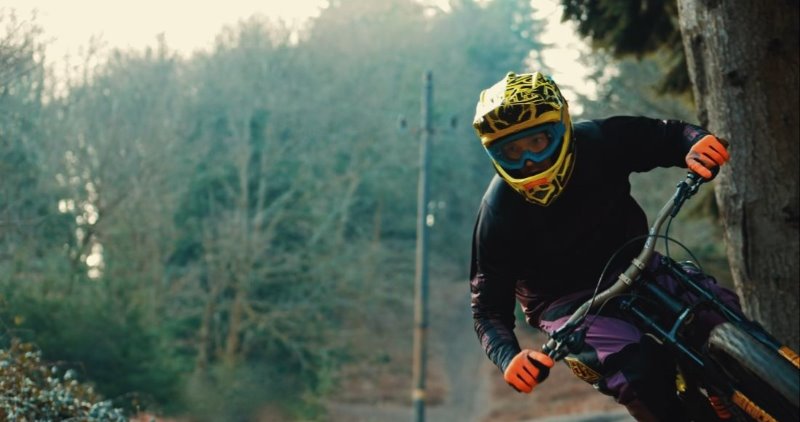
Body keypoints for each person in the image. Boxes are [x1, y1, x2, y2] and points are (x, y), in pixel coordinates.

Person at [469, 71, 740, 421]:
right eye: (512, 151)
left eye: (537, 141)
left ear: (562, 127)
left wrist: (696, 143)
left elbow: (668, 136)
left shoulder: (599, 139)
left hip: (638, 264)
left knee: (724, 316)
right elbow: (487, 308)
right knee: (636, 373)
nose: (529, 161)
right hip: (567, 306)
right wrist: (509, 357)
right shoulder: (497, 212)